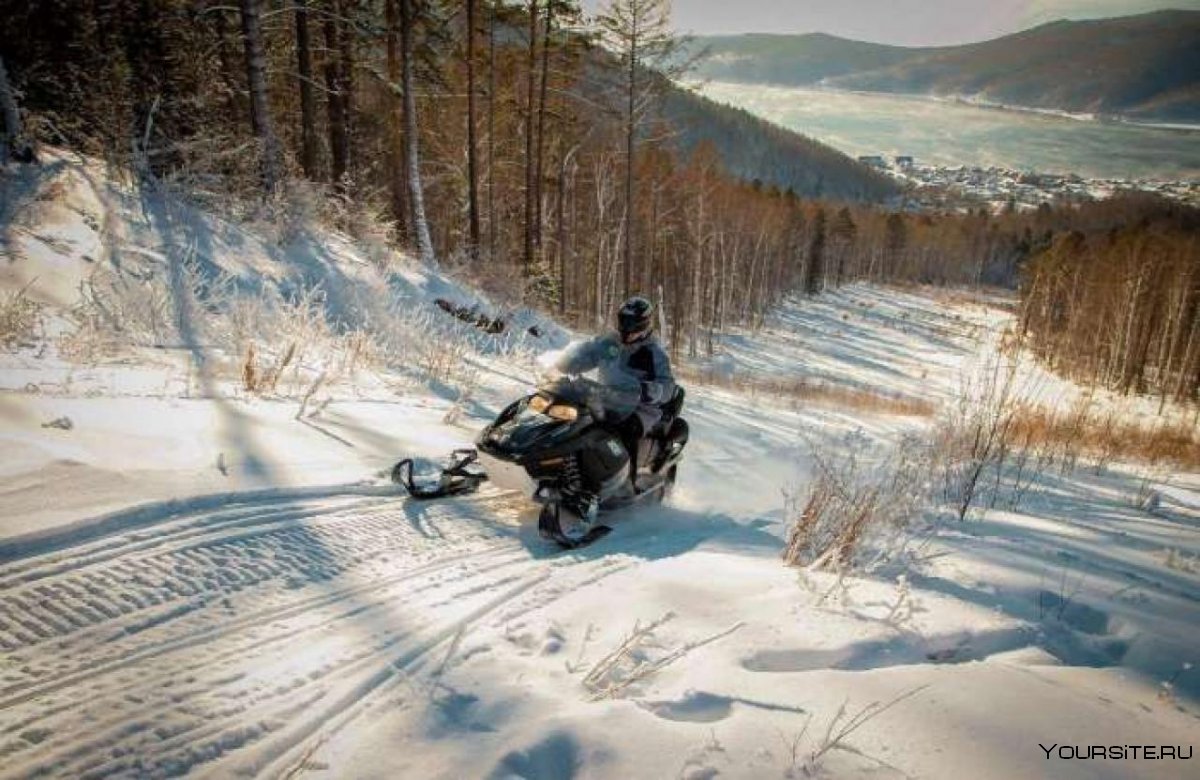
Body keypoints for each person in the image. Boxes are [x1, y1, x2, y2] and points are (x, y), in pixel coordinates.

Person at [555, 296, 676, 467]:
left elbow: (668, 387)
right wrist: (565, 362)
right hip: (606, 399)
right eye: (624, 322)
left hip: (640, 408)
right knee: (576, 420)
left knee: (625, 432)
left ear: (645, 324)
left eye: (633, 324)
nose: (628, 329)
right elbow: (588, 354)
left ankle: (628, 483)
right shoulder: (608, 342)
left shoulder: (654, 354)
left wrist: (650, 390)